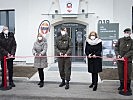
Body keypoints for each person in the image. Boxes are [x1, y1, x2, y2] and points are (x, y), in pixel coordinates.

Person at [115, 28, 133, 95]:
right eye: (125, 32)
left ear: (130, 33)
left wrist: (125, 56)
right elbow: (116, 48)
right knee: (121, 73)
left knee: (128, 74)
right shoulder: (120, 40)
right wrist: (118, 55)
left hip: (128, 60)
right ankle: (121, 85)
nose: (126, 33)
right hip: (120, 60)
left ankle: (128, 87)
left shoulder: (132, 41)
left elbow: (132, 50)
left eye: (128, 32)